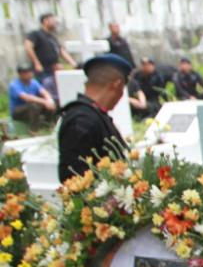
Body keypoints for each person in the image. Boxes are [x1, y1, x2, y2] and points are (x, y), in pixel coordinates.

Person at [57, 53, 132, 183]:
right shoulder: (81, 120)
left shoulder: (94, 114)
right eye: (122, 90)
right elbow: (73, 175)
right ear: (117, 84)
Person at [24, 13, 74, 93]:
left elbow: (61, 51)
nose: (55, 22)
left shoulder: (52, 38)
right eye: (53, 20)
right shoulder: (36, 34)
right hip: (43, 71)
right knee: (45, 91)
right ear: (45, 21)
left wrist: (73, 63)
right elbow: (28, 46)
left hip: (54, 70)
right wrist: (37, 63)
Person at [8, 64, 57, 128]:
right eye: (26, 73)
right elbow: (26, 98)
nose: (29, 74)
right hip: (18, 112)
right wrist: (44, 101)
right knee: (33, 106)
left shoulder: (34, 82)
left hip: (32, 109)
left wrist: (49, 100)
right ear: (20, 74)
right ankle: (33, 130)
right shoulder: (14, 85)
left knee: (52, 103)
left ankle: (48, 124)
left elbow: (44, 92)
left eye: (30, 72)